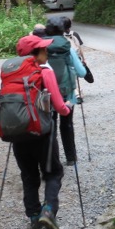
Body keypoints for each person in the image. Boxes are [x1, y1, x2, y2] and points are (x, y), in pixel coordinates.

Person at [7, 34, 73, 229]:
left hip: (18, 133)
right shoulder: (45, 72)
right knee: (53, 172)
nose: (47, 52)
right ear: (34, 54)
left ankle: (34, 219)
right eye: (43, 49)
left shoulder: (11, 75)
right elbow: (59, 107)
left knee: (29, 175)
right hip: (42, 133)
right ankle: (49, 211)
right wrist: (68, 108)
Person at [43, 17, 87, 166]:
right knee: (67, 124)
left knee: (51, 125)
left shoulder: (41, 48)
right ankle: (71, 157)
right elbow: (81, 72)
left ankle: (52, 160)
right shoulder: (66, 47)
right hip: (67, 93)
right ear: (63, 30)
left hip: (46, 94)